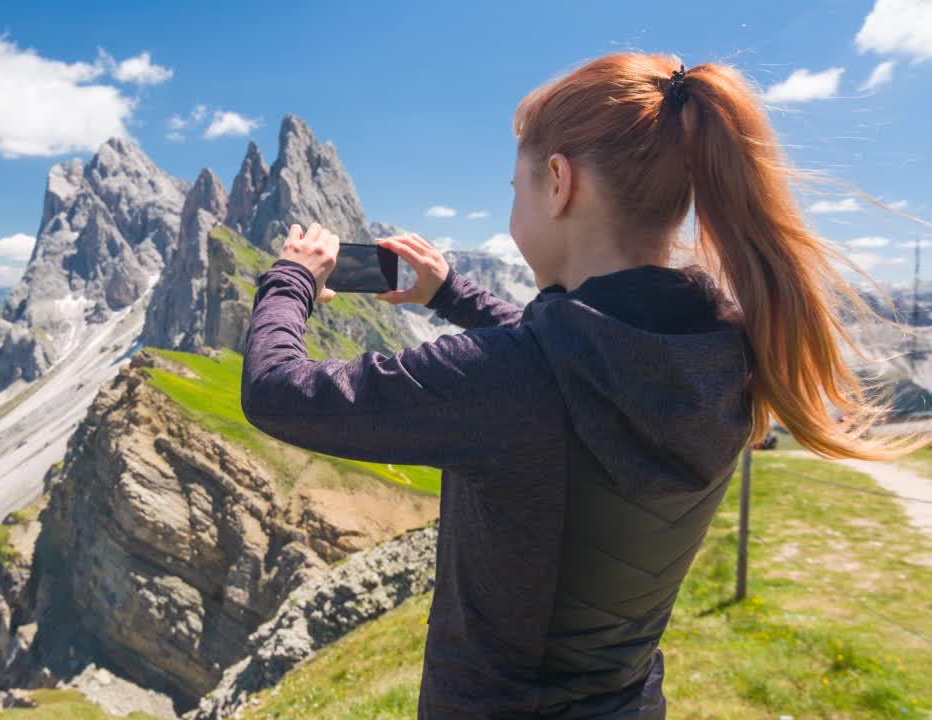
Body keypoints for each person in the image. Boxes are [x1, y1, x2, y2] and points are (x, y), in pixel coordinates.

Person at [239, 52, 929, 718]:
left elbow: (277, 389)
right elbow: (572, 356)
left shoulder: (511, 380)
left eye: (517, 190)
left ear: (560, 182)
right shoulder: (729, 352)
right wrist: (451, 293)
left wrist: (292, 275)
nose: (513, 212)